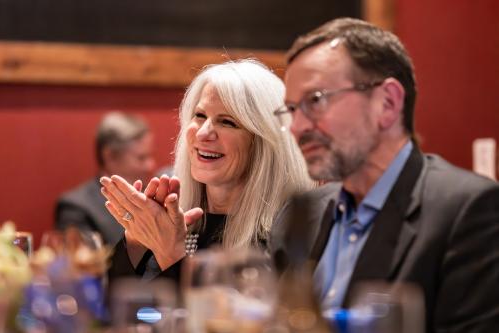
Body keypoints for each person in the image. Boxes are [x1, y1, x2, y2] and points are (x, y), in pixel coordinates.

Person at [270, 18, 499, 332]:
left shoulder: (468, 210)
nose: (297, 127)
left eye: (315, 101)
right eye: (292, 110)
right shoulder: (298, 216)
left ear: (388, 103)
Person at [100, 60, 313, 283]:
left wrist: (170, 255)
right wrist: (137, 239)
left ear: (263, 144)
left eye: (228, 122)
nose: (203, 133)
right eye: (200, 115)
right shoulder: (178, 221)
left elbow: (223, 315)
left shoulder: (287, 236)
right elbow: (114, 310)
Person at [55, 112, 156, 245]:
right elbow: (86, 264)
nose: (150, 165)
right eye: (141, 158)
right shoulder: (76, 207)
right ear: (110, 156)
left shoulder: (152, 197)